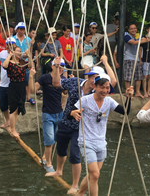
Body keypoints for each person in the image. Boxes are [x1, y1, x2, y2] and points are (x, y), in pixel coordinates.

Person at [46, 55, 116, 195]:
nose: (93, 80)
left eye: (97, 78)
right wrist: (56, 67)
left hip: (82, 128)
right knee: (60, 147)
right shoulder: (73, 82)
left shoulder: (97, 91)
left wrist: (106, 63)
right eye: (92, 76)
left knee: (75, 155)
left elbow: (112, 81)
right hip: (66, 121)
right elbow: (55, 82)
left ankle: (75, 185)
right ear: (88, 77)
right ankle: (59, 171)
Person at [70, 73, 134, 196]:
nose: (105, 90)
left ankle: (80, 193)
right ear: (95, 86)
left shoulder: (109, 101)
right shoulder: (85, 100)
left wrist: (128, 98)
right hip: (86, 141)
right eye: (102, 87)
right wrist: (73, 113)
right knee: (95, 174)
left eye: (107, 87)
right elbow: (70, 112)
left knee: (93, 175)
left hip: (101, 142)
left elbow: (125, 111)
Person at [30, 58, 66, 173]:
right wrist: (31, 77)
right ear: (53, 66)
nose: (60, 69)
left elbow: (65, 94)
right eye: (57, 67)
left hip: (59, 114)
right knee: (49, 139)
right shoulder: (45, 78)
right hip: (48, 114)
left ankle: (45, 157)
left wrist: (64, 105)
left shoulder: (63, 80)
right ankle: (49, 163)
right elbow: (32, 89)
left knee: (55, 139)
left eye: (61, 67)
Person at [0, 37, 19, 129]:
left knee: (13, 105)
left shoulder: (17, 54)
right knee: (2, 105)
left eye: (11, 44)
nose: (9, 46)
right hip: (3, 84)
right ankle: (8, 120)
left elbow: (25, 56)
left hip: (13, 84)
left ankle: (12, 124)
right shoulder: (2, 53)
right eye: (8, 44)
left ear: (14, 44)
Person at [2, 45, 32, 137]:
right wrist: (9, 55)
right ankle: (12, 129)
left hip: (22, 86)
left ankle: (13, 127)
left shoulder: (22, 62)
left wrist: (29, 55)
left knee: (19, 108)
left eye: (20, 51)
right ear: (14, 52)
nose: (19, 53)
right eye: (17, 51)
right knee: (13, 109)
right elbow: (4, 65)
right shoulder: (10, 62)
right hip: (13, 86)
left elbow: (30, 66)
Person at [124, 23, 149, 99]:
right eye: (131, 28)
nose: (133, 30)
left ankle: (137, 92)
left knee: (139, 76)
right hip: (128, 58)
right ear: (129, 30)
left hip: (137, 58)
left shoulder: (138, 35)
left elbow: (145, 38)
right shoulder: (126, 35)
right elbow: (134, 43)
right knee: (128, 76)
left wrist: (145, 38)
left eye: (134, 28)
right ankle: (128, 92)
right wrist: (144, 40)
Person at [13, 22, 35, 105]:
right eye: (20, 29)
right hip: (17, 61)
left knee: (27, 79)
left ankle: (28, 97)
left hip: (26, 60)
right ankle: (19, 96)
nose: (22, 31)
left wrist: (31, 62)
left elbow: (30, 51)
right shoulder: (13, 38)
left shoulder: (28, 39)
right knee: (18, 79)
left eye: (23, 29)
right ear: (17, 29)